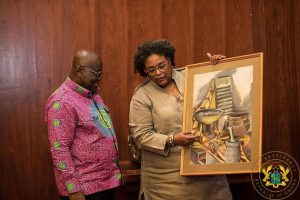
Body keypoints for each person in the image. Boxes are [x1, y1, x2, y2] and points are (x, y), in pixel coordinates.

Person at [129, 39, 232, 200]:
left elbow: (218, 93)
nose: (158, 72)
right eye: (151, 69)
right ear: (144, 70)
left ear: (169, 60)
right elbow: (141, 136)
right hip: (167, 182)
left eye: (161, 66)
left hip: (208, 174)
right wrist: (172, 140)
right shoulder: (142, 96)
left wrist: (217, 67)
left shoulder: (193, 76)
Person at [45, 50, 122, 200]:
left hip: (106, 184)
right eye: (97, 73)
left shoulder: (94, 95)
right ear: (80, 70)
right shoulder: (62, 102)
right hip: (84, 190)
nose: (100, 78)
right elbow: (59, 150)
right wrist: (74, 190)